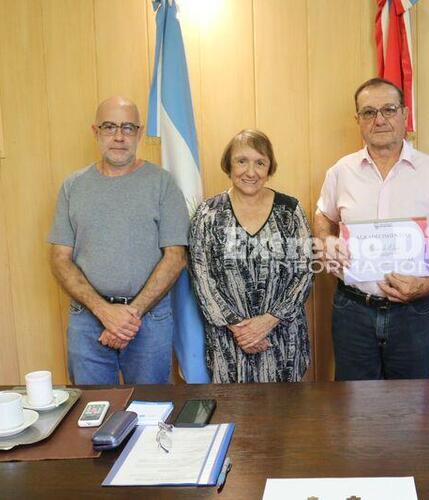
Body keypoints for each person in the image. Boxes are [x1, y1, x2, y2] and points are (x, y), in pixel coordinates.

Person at [315, 77, 429, 381]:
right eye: (368, 113)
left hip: (415, 314)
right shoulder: (340, 172)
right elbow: (322, 215)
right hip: (353, 310)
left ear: (405, 115)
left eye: (388, 110)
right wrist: (325, 240)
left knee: (410, 408)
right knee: (354, 408)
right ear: (358, 120)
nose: (379, 120)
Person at [49, 96, 189, 384]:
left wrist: (127, 317)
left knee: (150, 412)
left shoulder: (162, 184)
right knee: (91, 415)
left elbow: (176, 257)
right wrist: (103, 311)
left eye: (128, 128)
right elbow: (60, 259)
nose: (119, 136)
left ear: (139, 133)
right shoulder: (73, 186)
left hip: (148, 321)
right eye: (110, 126)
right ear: (95, 131)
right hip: (87, 321)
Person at [189, 129, 312, 383]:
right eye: (241, 161)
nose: (250, 171)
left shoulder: (290, 211)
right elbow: (201, 277)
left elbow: (306, 271)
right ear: (229, 164)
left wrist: (267, 322)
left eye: (260, 162)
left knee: (287, 417)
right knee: (234, 415)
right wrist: (240, 329)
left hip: (282, 339)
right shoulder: (207, 213)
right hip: (230, 342)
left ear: (269, 167)